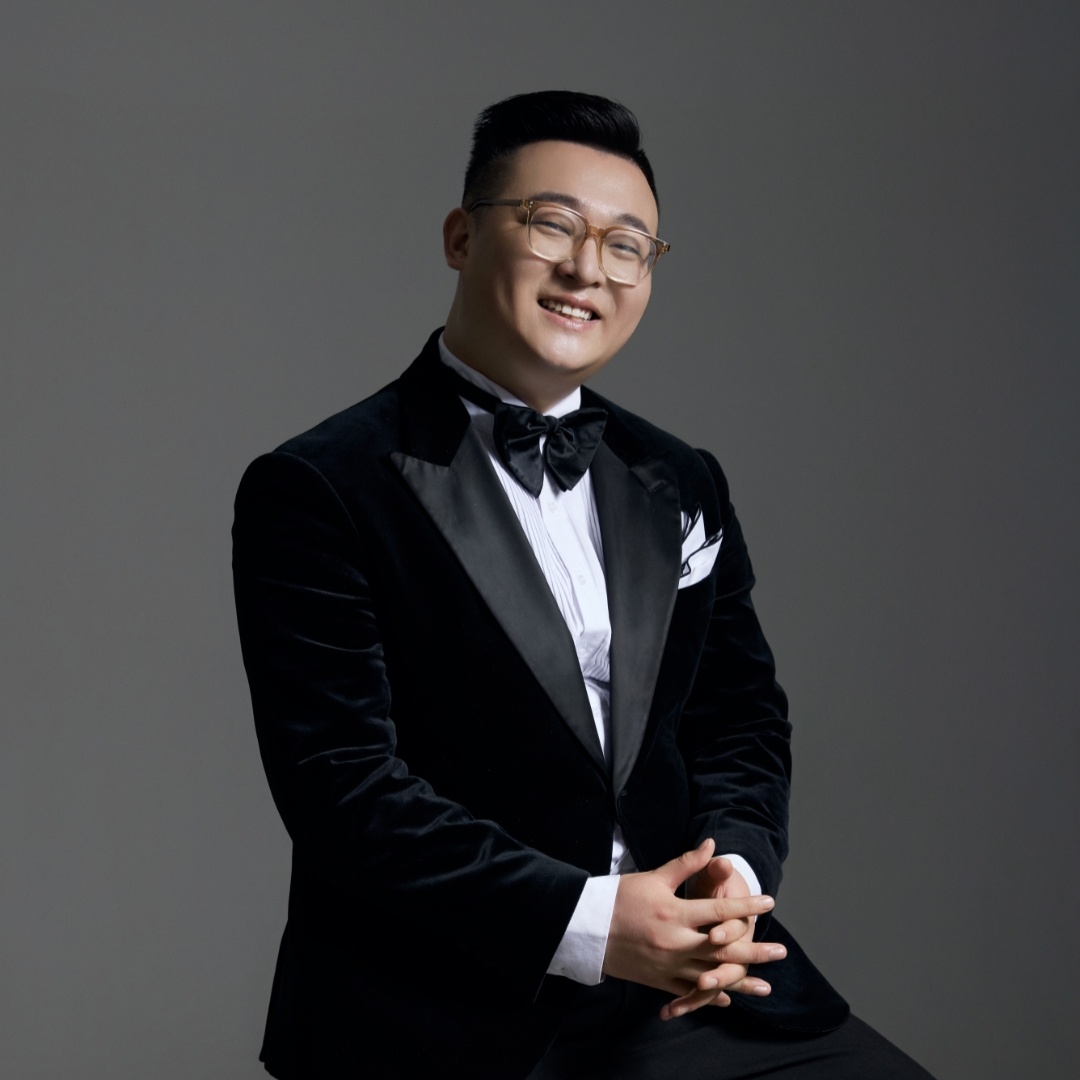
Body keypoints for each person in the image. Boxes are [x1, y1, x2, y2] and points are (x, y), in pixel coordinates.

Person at [232, 90, 933, 1080]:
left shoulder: (679, 475)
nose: (587, 269)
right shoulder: (319, 485)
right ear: (461, 237)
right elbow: (342, 788)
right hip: (442, 1006)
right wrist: (592, 923)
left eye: (626, 245)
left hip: (688, 989)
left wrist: (731, 877)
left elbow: (738, 719)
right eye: (552, 224)